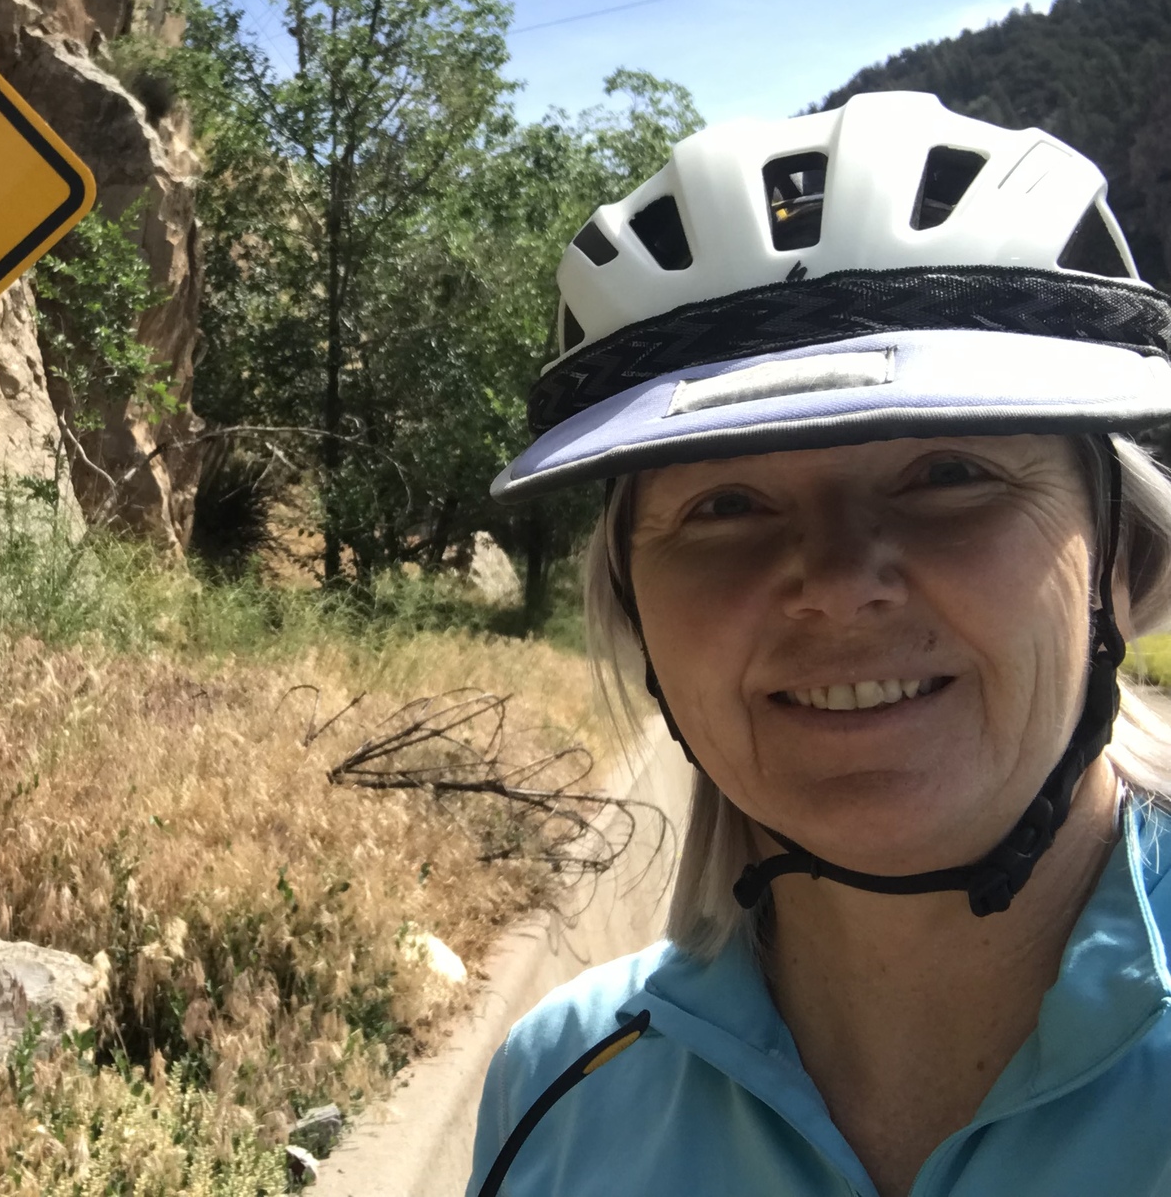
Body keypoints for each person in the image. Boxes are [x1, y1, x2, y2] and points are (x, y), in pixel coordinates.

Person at [467, 91, 1171, 1197]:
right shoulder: (556, 1091)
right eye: (725, 505)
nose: (838, 587)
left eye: (949, 473)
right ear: (638, 611)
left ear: (1122, 559)